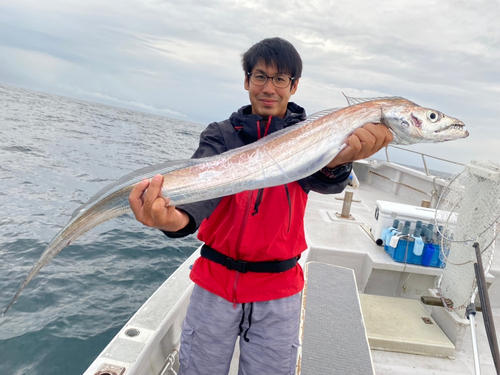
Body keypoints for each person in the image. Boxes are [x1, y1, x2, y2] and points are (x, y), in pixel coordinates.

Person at [129, 37, 393, 375]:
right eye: (260, 77)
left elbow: (326, 181)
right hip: (214, 283)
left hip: (278, 291)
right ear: (247, 81)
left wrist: (342, 162)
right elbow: (201, 195)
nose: (269, 88)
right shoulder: (221, 135)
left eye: (280, 79)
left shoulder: (311, 136)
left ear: (294, 86)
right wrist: (173, 221)